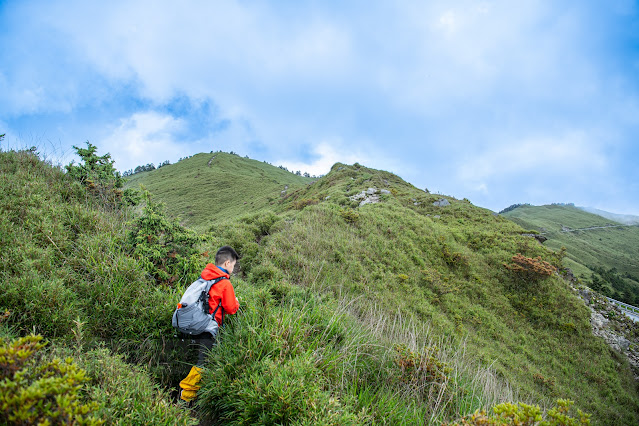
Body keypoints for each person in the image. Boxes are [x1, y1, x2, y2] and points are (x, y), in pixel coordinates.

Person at [179, 245, 240, 403]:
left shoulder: (205, 277)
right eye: (233, 265)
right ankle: (184, 398)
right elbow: (231, 308)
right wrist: (237, 303)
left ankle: (185, 392)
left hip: (194, 324)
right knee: (203, 363)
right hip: (207, 329)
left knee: (195, 359)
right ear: (227, 263)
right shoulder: (224, 283)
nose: (233, 269)